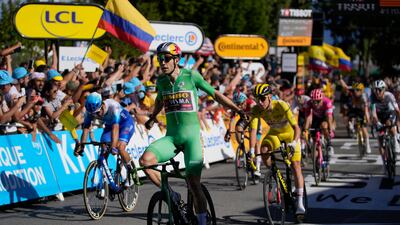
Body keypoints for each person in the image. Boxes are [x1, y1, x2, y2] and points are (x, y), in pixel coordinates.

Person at [139, 42, 245, 225]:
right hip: (172, 138)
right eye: (159, 59)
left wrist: (238, 110)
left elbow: (216, 95)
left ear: (176, 59)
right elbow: (160, 101)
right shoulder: (162, 81)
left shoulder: (191, 76)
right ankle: (171, 194)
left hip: (192, 139)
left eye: (166, 59)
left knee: (194, 184)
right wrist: (153, 117)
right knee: (145, 162)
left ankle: (202, 221)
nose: (162, 63)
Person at [249, 83, 306, 216]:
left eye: (262, 99)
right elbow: (252, 130)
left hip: (290, 135)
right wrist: (251, 151)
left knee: (295, 165)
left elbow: (297, 128)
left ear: (269, 97)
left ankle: (300, 203)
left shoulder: (281, 105)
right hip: (274, 134)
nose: (260, 102)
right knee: (263, 150)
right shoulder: (257, 110)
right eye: (257, 99)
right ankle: (275, 177)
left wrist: (293, 143)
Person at [76, 92, 136, 184]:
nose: (97, 115)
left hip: (125, 124)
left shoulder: (113, 106)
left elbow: (115, 129)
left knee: (119, 147)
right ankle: (104, 179)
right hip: (110, 125)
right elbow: (86, 128)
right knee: (103, 147)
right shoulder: (90, 112)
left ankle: (131, 173)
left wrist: (113, 146)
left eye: (98, 112)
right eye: (94, 113)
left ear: (102, 105)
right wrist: (82, 145)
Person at [370, 80, 400, 172]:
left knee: (390, 126)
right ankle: (384, 163)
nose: (377, 92)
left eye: (379, 90)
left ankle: (395, 142)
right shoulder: (372, 98)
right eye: (375, 90)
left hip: (389, 113)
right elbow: (373, 114)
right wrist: (377, 123)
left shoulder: (389, 96)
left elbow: (396, 110)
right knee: (380, 140)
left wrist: (398, 122)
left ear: (384, 89)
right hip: (379, 116)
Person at [339, 78, 371, 153]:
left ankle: (367, 144)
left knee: (363, 127)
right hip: (354, 108)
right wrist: (341, 79)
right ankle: (351, 127)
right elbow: (345, 87)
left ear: (362, 90)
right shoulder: (353, 91)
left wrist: (368, 118)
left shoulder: (364, 97)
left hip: (362, 110)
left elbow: (366, 110)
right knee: (348, 115)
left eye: (358, 90)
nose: (356, 92)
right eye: (355, 90)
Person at [304, 89, 335, 155]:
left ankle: (329, 144)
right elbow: (308, 117)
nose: (315, 104)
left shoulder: (327, 102)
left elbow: (329, 117)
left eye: (318, 101)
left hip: (325, 116)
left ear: (322, 99)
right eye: (313, 101)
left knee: (324, 126)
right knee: (313, 136)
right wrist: (306, 129)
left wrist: (330, 130)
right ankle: (318, 158)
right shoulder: (308, 103)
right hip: (316, 117)